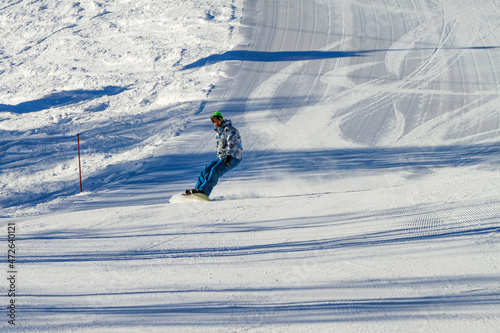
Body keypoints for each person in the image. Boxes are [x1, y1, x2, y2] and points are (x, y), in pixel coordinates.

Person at [185, 111, 243, 199]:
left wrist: (228, 157)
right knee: (206, 171)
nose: (215, 123)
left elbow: (233, 144)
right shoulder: (219, 132)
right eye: (214, 122)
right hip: (222, 157)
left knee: (215, 170)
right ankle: (198, 191)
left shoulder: (229, 129)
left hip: (233, 156)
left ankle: (204, 192)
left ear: (221, 120)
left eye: (217, 121)